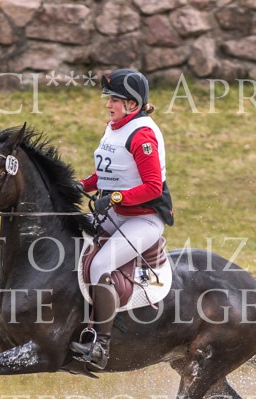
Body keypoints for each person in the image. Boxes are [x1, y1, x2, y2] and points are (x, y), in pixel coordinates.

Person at [70, 69, 174, 370]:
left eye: (114, 99)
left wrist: (114, 198)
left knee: (101, 265)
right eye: (108, 98)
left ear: (132, 104)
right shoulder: (115, 127)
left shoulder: (142, 135)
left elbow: (152, 187)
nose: (108, 104)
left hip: (143, 219)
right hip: (117, 213)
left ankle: (100, 345)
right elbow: (107, 173)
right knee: (70, 234)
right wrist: (80, 186)